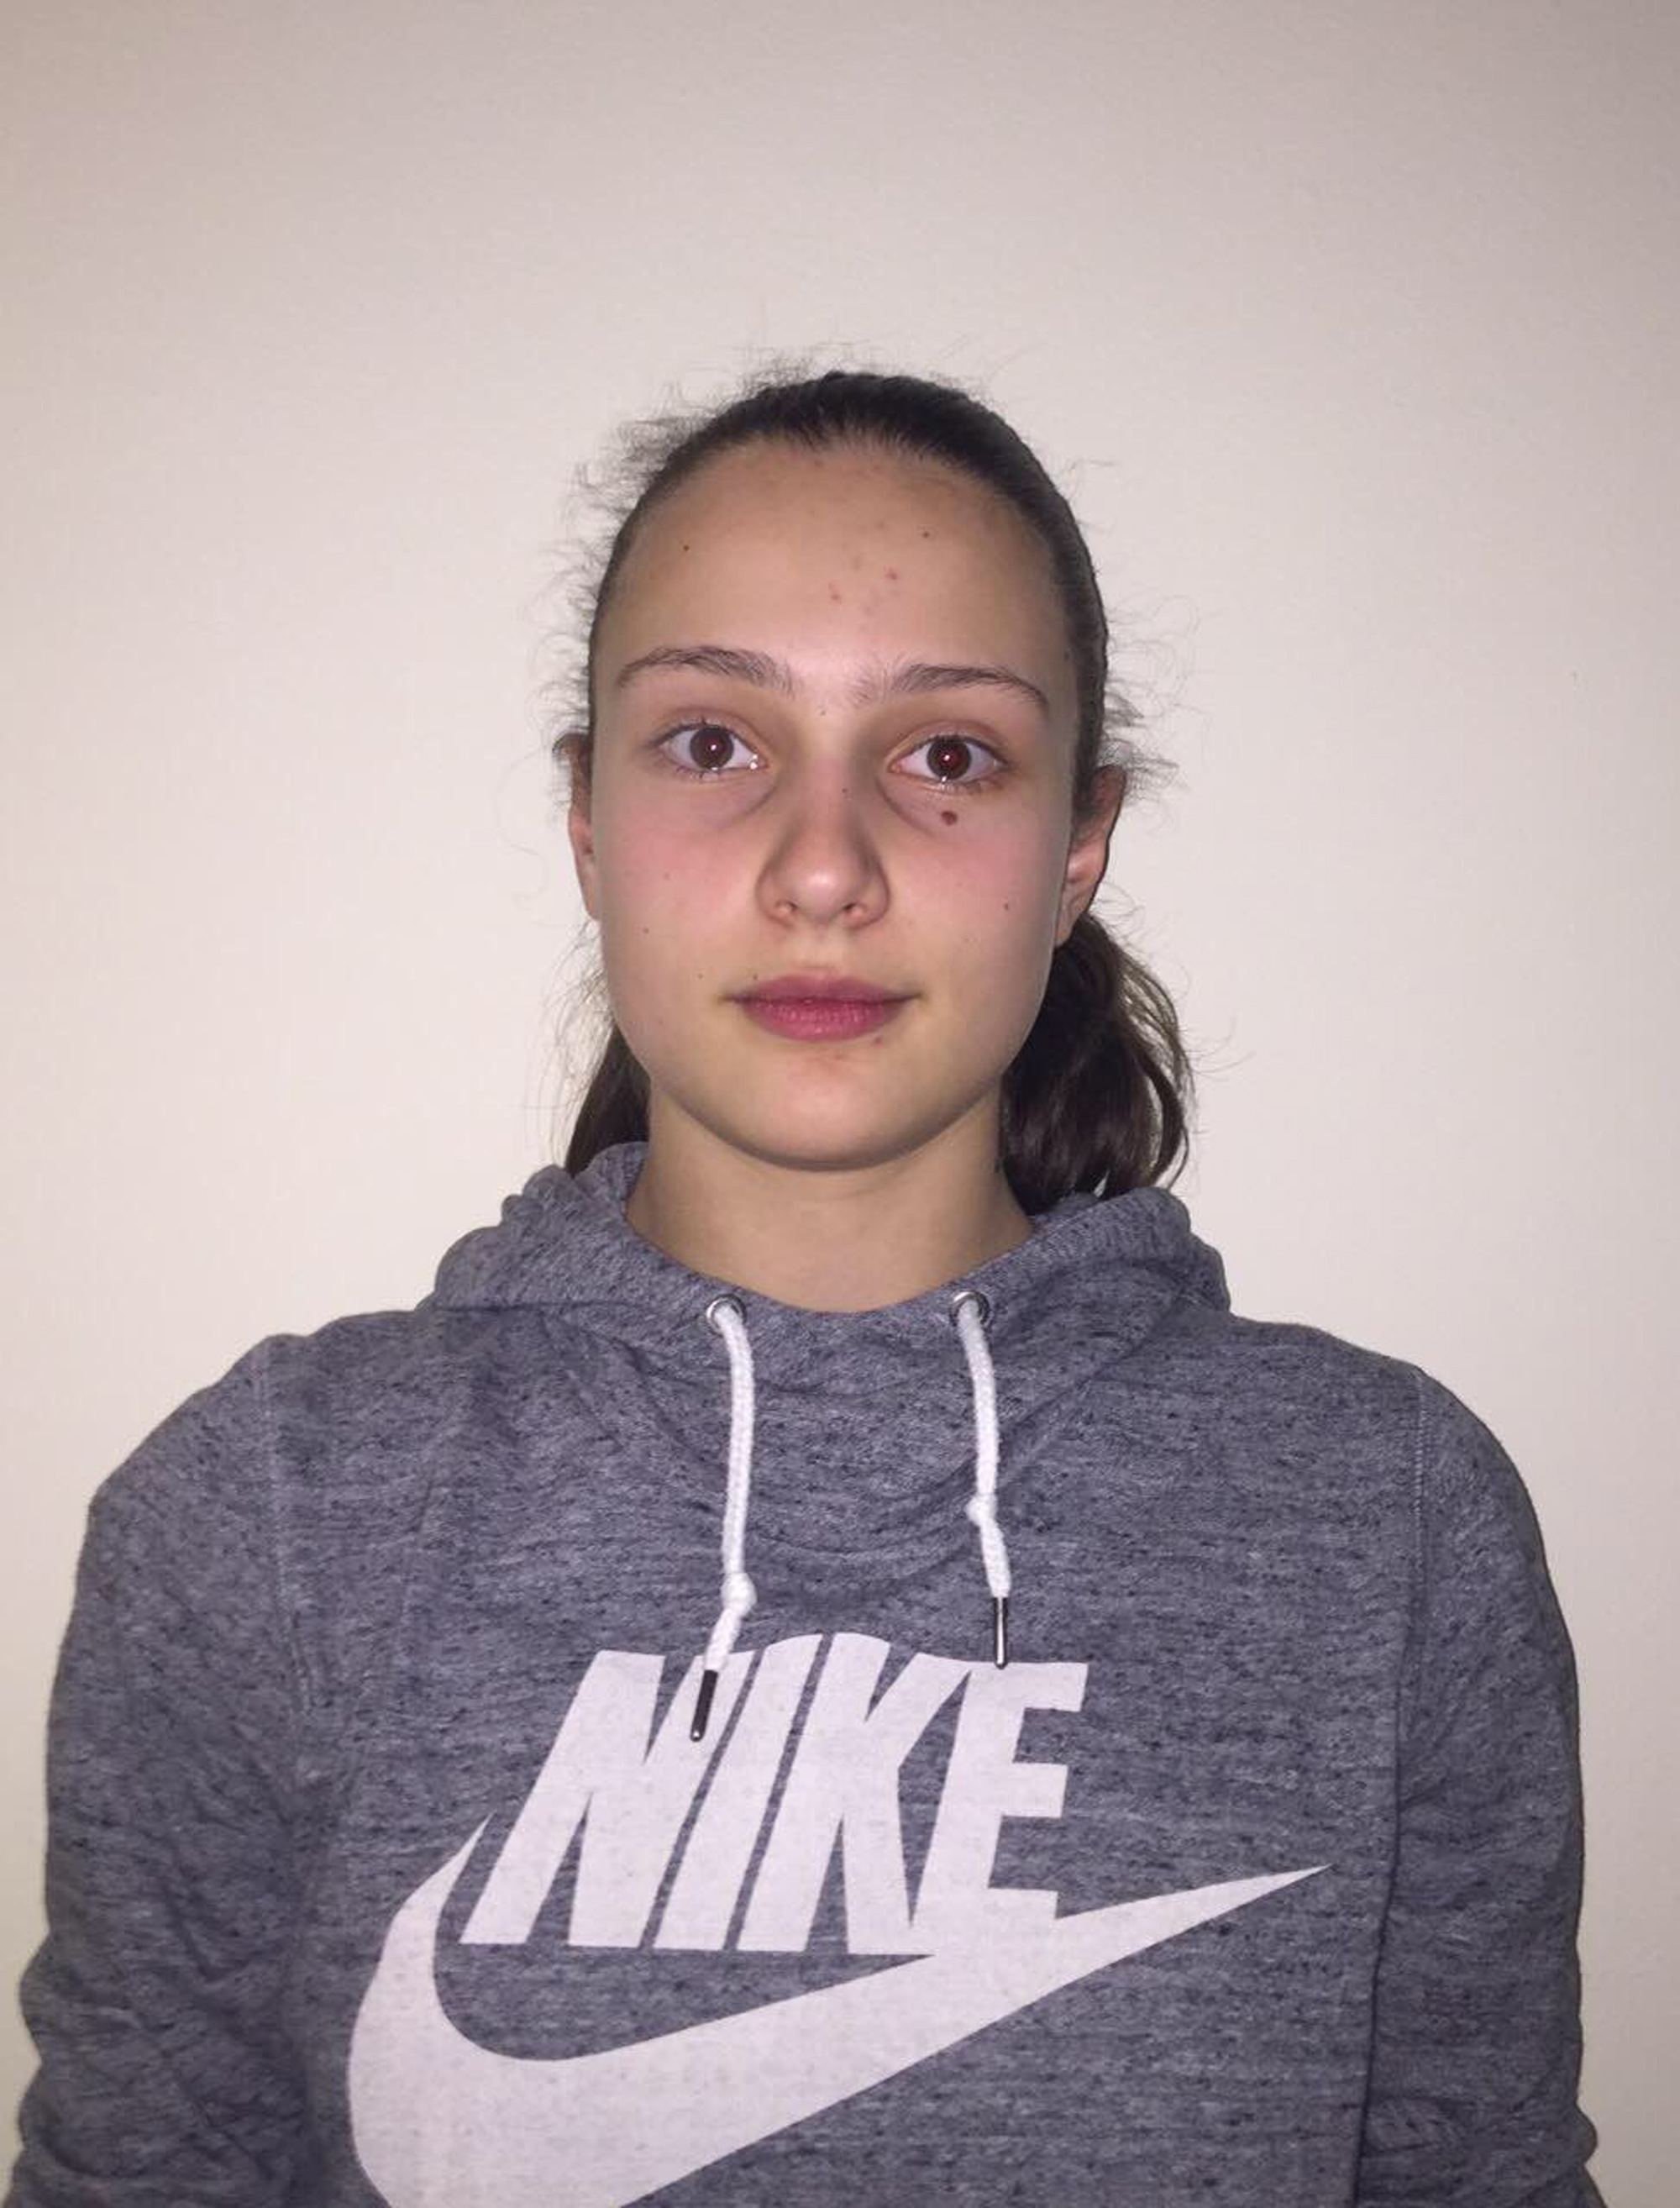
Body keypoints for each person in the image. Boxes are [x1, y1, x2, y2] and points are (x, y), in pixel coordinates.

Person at [8, 363, 1604, 2205]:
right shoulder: (271, 1512)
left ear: (1075, 848)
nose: (824, 868)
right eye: (712, 744)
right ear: (587, 824)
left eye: (948, 757)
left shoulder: (1381, 1515)